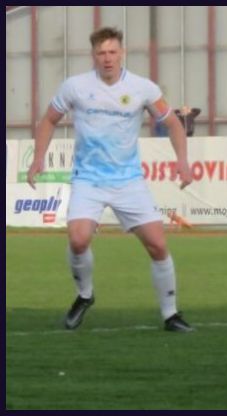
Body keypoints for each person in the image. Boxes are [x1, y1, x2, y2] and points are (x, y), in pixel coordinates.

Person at [26, 27, 194, 333]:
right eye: (101, 53)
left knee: (158, 245)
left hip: (129, 181)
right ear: (93, 55)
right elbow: (48, 120)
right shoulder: (75, 87)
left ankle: (170, 314)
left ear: (122, 53)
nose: (107, 58)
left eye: (112, 52)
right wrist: (38, 158)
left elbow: (173, 124)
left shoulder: (143, 88)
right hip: (88, 179)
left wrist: (182, 161)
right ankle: (84, 295)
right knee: (78, 239)